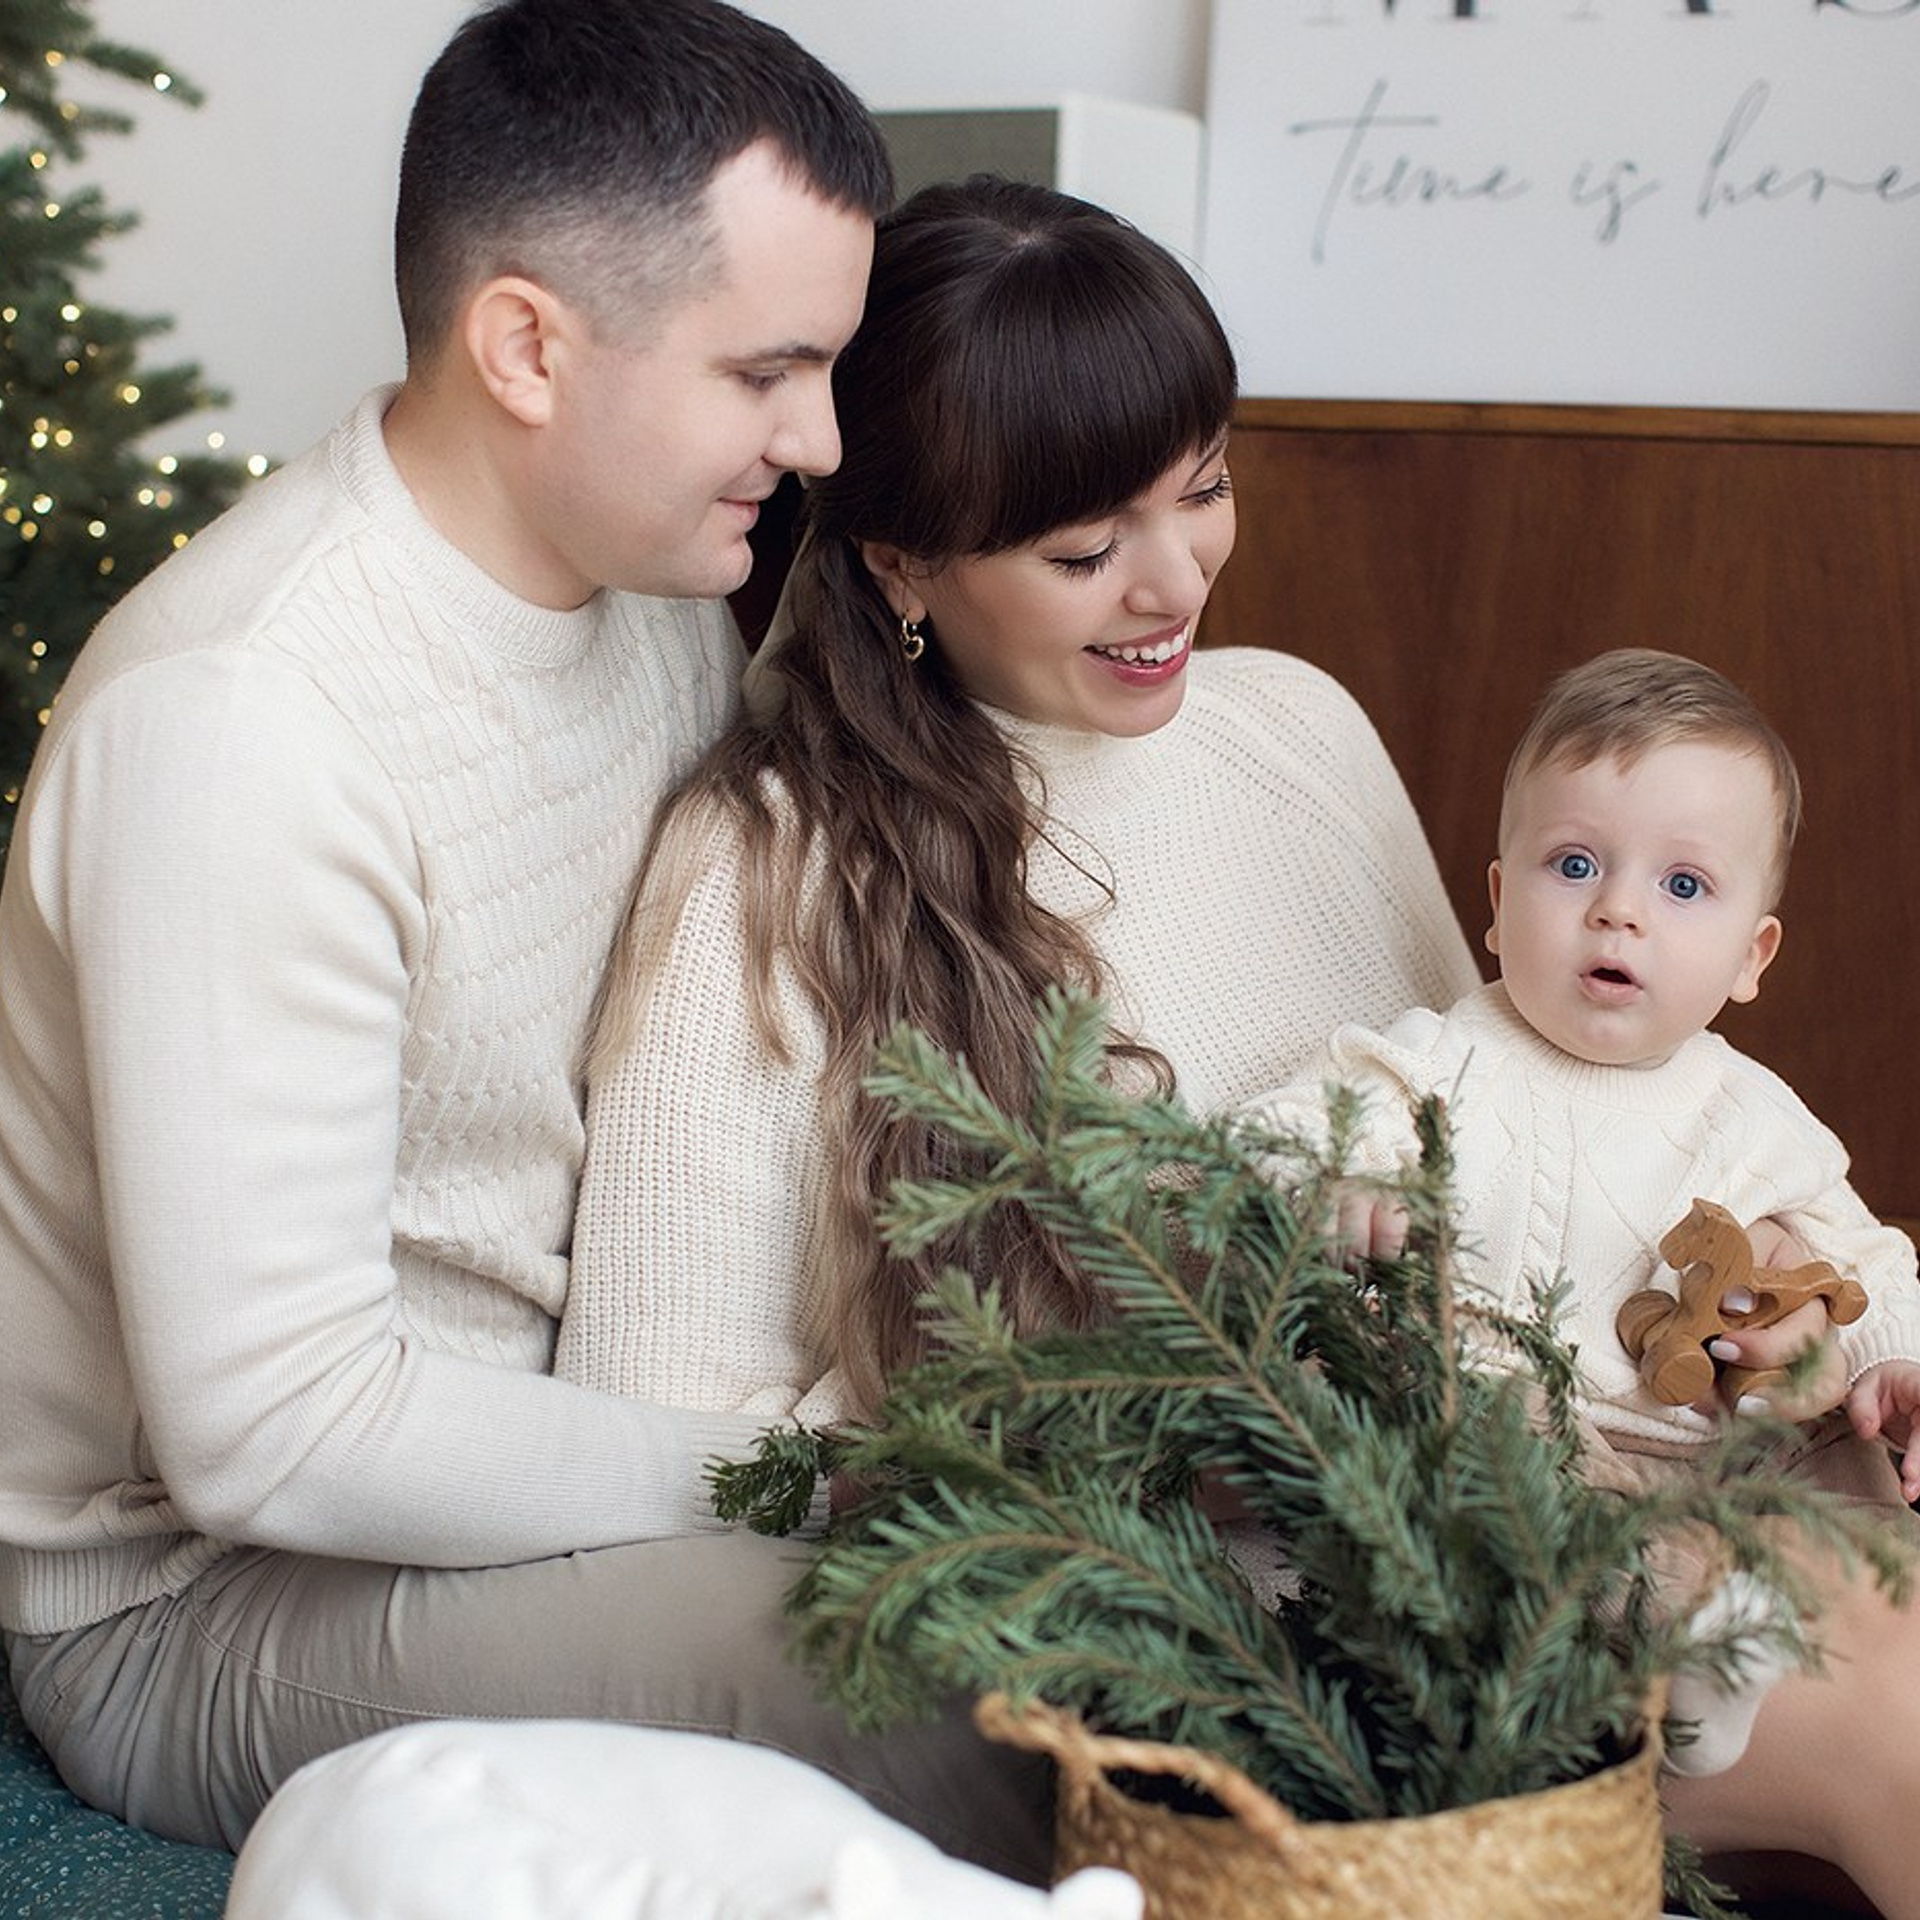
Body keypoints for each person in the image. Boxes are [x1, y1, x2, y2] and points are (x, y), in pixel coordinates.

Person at [0, 0, 1061, 1881]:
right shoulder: (246, 727)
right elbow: (273, 1437)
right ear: (526, 347)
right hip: (204, 1602)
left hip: (570, 1445)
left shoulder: (653, 583)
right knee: (962, 1681)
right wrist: (785, 1477)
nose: (821, 437)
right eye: (770, 371)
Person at [555, 173, 1481, 1439]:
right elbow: (656, 1421)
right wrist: (1114, 1424)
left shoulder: (1298, 730)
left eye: (1205, 491)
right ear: (902, 564)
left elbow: (1503, 1145)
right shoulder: (770, 870)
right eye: (1085, 554)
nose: (1178, 585)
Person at [1238, 648, 1920, 1909]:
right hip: (1540, 1455)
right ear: (1497, 905)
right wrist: (1339, 1192)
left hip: (1717, 1454)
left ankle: (1747, 1640)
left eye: (1682, 883)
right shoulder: (1438, 1066)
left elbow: (1870, 1256)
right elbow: (1278, 1136)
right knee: (1570, 1540)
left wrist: (1889, 1359)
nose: (1618, 912)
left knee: (1834, 1489)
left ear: (1751, 952)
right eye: (1574, 866)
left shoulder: (1749, 1112)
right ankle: (1699, 1669)